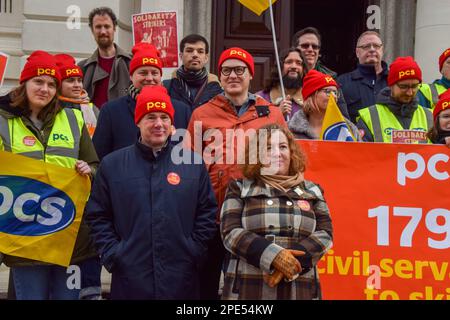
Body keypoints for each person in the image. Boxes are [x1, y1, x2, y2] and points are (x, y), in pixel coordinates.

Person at [85, 86, 217, 299]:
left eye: (164, 117)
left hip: (180, 278)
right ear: (138, 122)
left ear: (172, 123)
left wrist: (194, 250)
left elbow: (206, 212)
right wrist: (113, 253)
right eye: (150, 117)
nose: (158, 124)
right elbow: (97, 215)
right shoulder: (113, 165)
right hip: (131, 278)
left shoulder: (192, 163)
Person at [186, 47, 286, 299]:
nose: (233, 75)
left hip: (256, 216)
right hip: (212, 217)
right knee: (205, 284)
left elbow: (286, 162)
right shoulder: (202, 113)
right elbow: (189, 166)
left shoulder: (271, 114)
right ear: (219, 75)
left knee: (247, 286)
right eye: (226, 70)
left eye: (239, 69)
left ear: (250, 74)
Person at [0, 50, 99, 300]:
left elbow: (94, 164)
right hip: (25, 241)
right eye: (38, 81)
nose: (45, 89)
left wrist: (89, 170)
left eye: (52, 83)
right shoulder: (2, 122)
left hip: (69, 241)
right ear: (24, 83)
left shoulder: (74, 119)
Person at [220, 123, 333, 299]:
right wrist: (273, 256)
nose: (276, 153)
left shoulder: (312, 191)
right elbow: (230, 232)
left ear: (292, 152)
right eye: (268, 148)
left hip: (300, 288)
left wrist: (290, 264)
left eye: (282, 147)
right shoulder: (239, 188)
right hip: (248, 289)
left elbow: (325, 234)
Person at [93, 42, 191, 160]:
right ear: (131, 76)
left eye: (154, 73)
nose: (149, 78)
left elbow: (188, 156)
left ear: (160, 76)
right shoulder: (111, 111)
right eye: (143, 73)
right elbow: (99, 157)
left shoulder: (182, 110)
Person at [357, 56, 433, 143]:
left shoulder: (430, 116)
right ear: (391, 85)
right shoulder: (369, 117)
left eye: (415, 86)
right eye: (403, 87)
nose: (410, 92)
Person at [78, 7, 132, 109]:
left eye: (107, 26)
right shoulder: (83, 68)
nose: (103, 31)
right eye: (98, 27)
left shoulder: (130, 62)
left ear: (114, 28)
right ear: (92, 30)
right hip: (93, 124)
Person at [292, 27, 350, 119]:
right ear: (294, 49)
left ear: (318, 51)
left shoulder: (330, 79)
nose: (310, 49)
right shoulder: (286, 76)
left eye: (315, 46)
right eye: (305, 46)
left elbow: (342, 115)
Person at [288, 70, 361, 141]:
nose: (334, 96)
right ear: (312, 95)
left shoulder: (349, 128)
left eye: (335, 93)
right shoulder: (290, 129)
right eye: (328, 91)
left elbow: (360, 153)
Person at [337, 31, 389, 124]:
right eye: (366, 46)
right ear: (357, 52)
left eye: (376, 46)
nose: (372, 49)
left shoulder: (395, 82)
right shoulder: (342, 83)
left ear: (382, 50)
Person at [163, 34, 223, 110]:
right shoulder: (166, 87)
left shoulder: (218, 90)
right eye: (189, 50)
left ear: (206, 58)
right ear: (181, 56)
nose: (195, 55)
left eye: (200, 51)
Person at [55, 53, 99, 137]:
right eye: (70, 81)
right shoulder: (51, 108)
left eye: (79, 80)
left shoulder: (92, 108)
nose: (77, 85)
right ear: (59, 84)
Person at [257, 47, 306, 119]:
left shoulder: (310, 100)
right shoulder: (260, 99)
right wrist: (277, 113)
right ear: (279, 67)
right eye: (289, 62)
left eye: (299, 63)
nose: (294, 66)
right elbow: (259, 129)